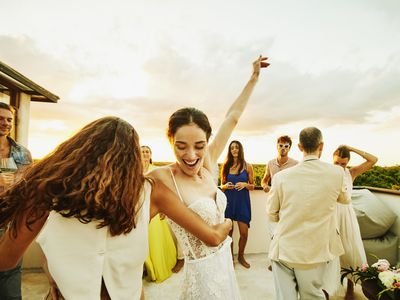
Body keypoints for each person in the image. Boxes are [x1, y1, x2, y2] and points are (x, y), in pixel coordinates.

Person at [0, 116, 232, 300]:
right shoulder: (152, 193)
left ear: (78, 151)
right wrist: (228, 223)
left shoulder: (45, 194)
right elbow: (212, 237)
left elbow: (6, 260)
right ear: (131, 158)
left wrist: (53, 265)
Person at [149, 56, 269, 299]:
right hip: (202, 281)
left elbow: (232, 117)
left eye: (199, 145)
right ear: (170, 140)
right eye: (181, 146)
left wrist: (254, 78)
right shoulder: (160, 178)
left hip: (225, 267)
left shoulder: (209, 163)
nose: (191, 155)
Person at [266, 127, 351, 300]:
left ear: (299, 146)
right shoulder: (337, 173)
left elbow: (271, 213)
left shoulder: (281, 177)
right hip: (315, 250)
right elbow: (345, 199)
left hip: (284, 249)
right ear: (321, 146)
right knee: (312, 296)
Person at [333, 145, 378, 300]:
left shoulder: (351, 173)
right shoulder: (326, 172)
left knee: (350, 249)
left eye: (343, 164)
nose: (339, 167)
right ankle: (326, 289)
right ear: (333, 159)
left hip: (346, 215)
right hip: (331, 214)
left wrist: (352, 149)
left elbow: (374, 160)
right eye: (337, 163)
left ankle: (350, 286)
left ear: (348, 163)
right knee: (329, 251)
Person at [0, 102, 32, 300]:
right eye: (1, 119)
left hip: (10, 222)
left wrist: (20, 185)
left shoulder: (22, 153)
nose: (5, 123)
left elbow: (29, 187)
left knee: (10, 277)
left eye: (9, 120)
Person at [142, 145, 181, 282]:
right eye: (142, 151)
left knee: (156, 239)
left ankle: (160, 267)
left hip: (156, 209)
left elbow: (165, 189)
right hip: (140, 209)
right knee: (144, 240)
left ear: (151, 154)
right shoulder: (134, 170)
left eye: (147, 151)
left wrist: (164, 208)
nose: (145, 154)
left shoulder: (155, 170)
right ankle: (147, 268)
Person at [261, 135, 297, 271]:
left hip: (288, 204)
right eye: (281, 145)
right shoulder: (270, 163)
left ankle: (286, 261)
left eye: (286, 146)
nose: (283, 148)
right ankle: (275, 261)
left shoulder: (295, 164)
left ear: (290, 148)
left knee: (287, 233)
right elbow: (264, 180)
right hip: (273, 204)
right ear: (277, 146)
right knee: (273, 234)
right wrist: (264, 185)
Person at [220, 140, 254, 268]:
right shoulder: (226, 166)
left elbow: (252, 186)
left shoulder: (247, 166)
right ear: (230, 150)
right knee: (229, 233)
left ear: (240, 150)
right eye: (232, 148)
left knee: (244, 233)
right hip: (228, 202)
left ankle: (241, 256)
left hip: (242, 202)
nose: (234, 150)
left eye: (237, 147)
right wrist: (225, 185)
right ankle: (230, 259)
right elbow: (221, 187)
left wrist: (245, 184)